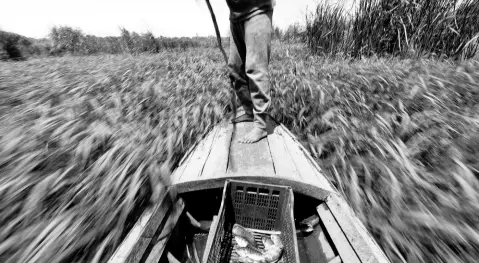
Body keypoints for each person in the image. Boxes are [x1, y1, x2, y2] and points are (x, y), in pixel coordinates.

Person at [225, 0, 275, 144]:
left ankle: (260, 125)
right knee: (235, 68)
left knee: (256, 68)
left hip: (257, 10)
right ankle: (249, 111)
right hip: (235, 15)